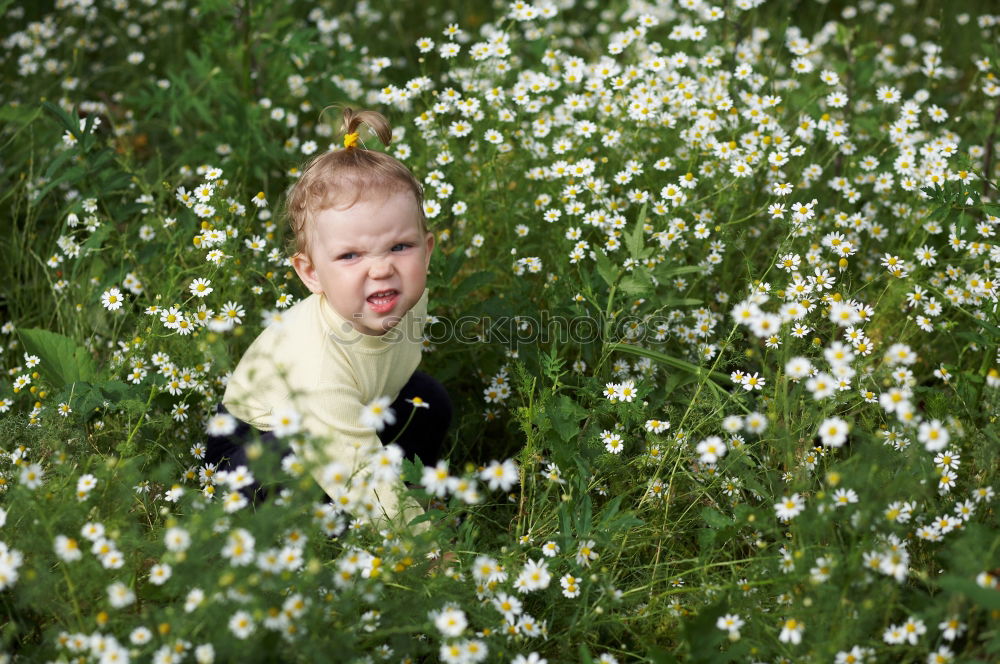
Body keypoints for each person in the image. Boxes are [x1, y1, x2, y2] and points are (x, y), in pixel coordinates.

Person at [206, 107, 451, 532]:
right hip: (257, 444)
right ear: (311, 273)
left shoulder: (405, 298)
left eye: (399, 247)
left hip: (356, 403)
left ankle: (414, 492)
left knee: (429, 400)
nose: (381, 269)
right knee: (288, 469)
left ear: (426, 251)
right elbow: (353, 466)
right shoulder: (317, 363)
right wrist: (421, 546)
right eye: (350, 255)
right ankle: (334, 528)